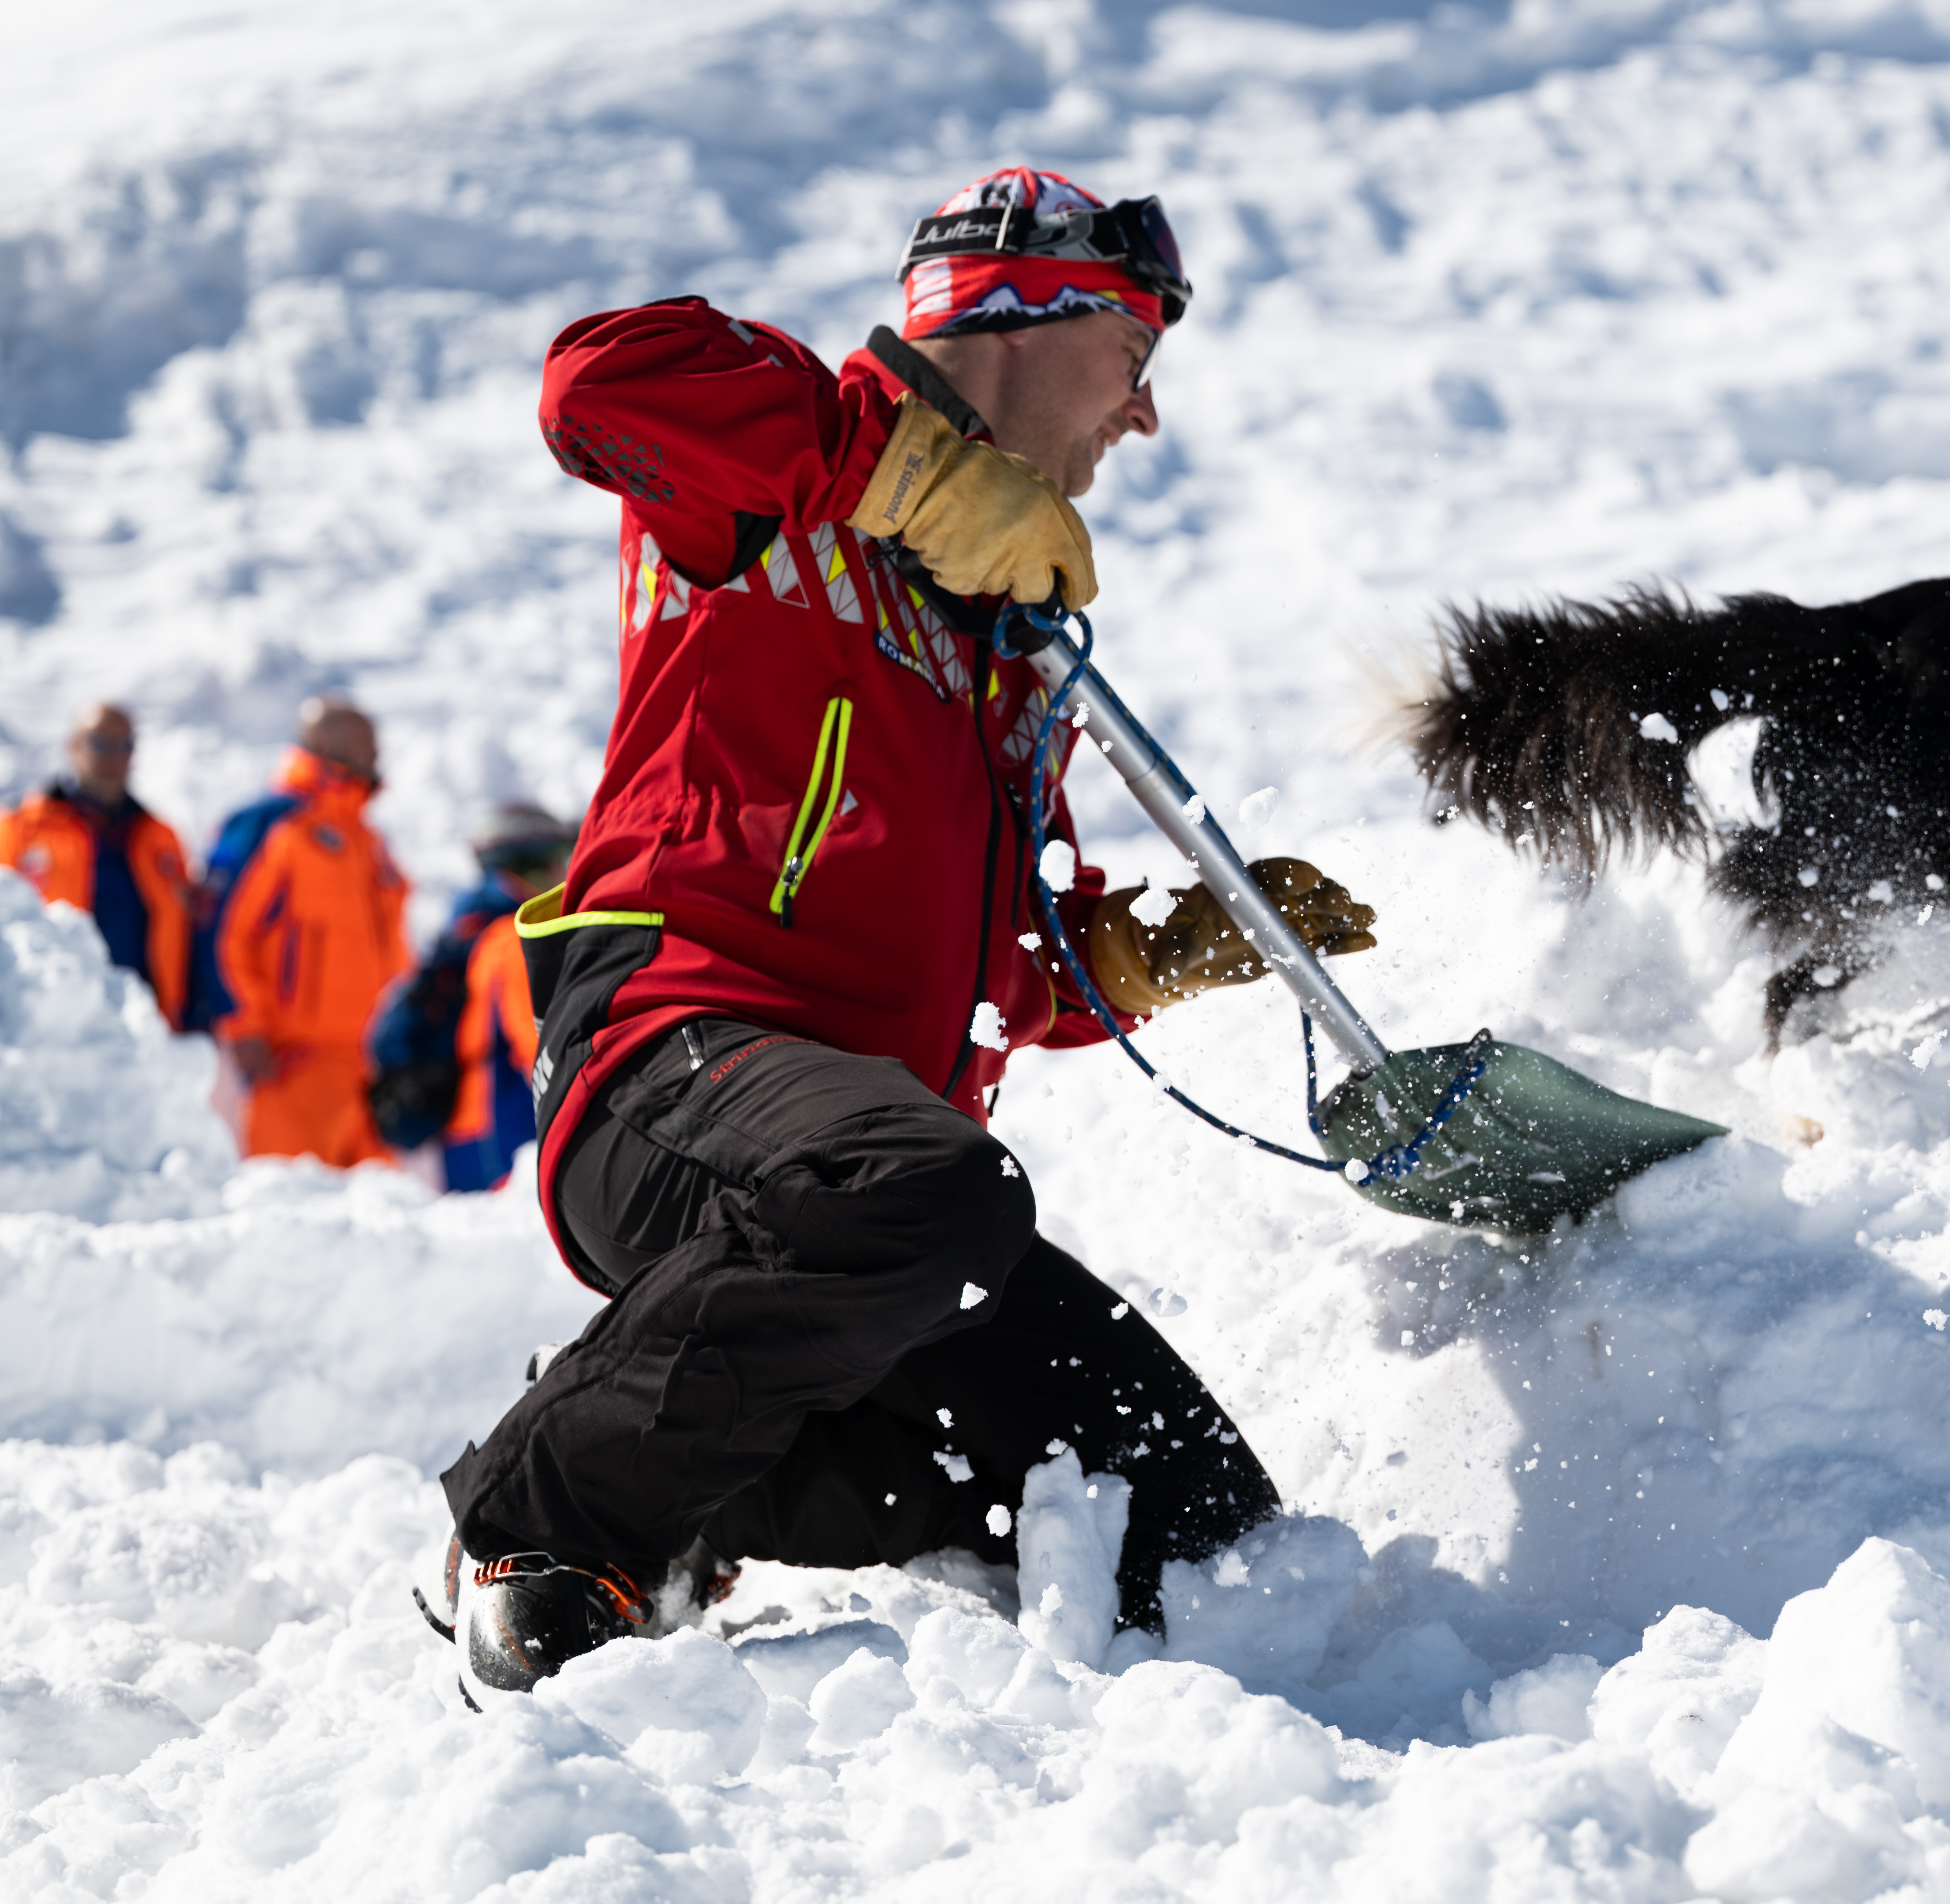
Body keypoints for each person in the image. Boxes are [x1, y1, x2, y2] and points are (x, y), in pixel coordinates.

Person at [437, 166, 1379, 1693]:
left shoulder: (1006, 636)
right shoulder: (780, 465)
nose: (1141, 416)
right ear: (1030, 314)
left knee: (1202, 1527)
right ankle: (545, 1514)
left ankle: (674, 1454)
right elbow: (594, 385)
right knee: (933, 1192)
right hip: (679, 1063)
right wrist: (911, 480)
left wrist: (1154, 945)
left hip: (869, 1202)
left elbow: (1013, 957)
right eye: (1135, 360)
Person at [189, 695, 410, 1169]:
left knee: (378, 1223)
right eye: (364, 740)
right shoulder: (271, 823)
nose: (376, 751)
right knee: (287, 1208)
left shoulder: (366, 841)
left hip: (366, 1069)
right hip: (289, 1064)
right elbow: (222, 928)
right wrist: (243, 1024)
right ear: (326, 742)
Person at [369, 802, 575, 1193]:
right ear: (530, 867)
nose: (565, 875)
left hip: (467, 1136)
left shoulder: (470, 929)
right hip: (505, 1135)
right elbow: (539, 1048)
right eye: (558, 861)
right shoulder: (513, 942)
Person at [0, 701, 198, 1029]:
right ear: (74, 747)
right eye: (101, 744)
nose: (115, 756)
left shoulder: (160, 839)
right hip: (51, 1024)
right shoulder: (20, 829)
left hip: (144, 1024)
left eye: (126, 745)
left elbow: (186, 930)